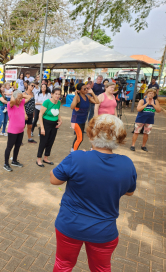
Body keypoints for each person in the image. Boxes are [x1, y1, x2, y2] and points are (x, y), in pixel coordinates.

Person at [51, 114, 136, 272]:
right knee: (101, 268)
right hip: (104, 231)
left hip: (70, 225)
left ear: (90, 133)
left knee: (63, 264)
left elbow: (54, 180)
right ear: (119, 138)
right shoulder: (127, 164)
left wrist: (76, 159)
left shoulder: (77, 157)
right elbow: (129, 192)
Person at [4, 90, 31, 172]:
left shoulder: (22, 102)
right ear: (14, 98)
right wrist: (14, 94)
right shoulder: (10, 105)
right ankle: (6, 164)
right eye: (18, 98)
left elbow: (29, 96)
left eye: (21, 98)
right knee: (9, 147)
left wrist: (20, 96)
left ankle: (14, 161)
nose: (20, 100)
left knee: (18, 146)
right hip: (12, 131)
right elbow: (12, 100)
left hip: (21, 130)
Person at [36, 87, 62, 166]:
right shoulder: (46, 102)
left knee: (51, 141)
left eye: (59, 94)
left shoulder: (58, 102)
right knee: (43, 142)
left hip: (54, 125)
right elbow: (40, 114)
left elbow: (58, 111)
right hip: (46, 123)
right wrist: (42, 128)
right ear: (52, 94)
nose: (57, 96)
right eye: (56, 94)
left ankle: (46, 158)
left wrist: (60, 120)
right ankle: (39, 159)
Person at [70, 83, 99, 151]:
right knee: (80, 138)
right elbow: (72, 107)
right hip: (76, 120)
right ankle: (73, 153)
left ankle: (72, 151)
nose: (86, 90)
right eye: (84, 88)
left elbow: (97, 102)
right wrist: (76, 96)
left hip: (83, 120)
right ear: (79, 90)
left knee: (78, 137)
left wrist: (92, 93)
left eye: (87, 88)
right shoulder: (77, 97)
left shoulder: (87, 97)